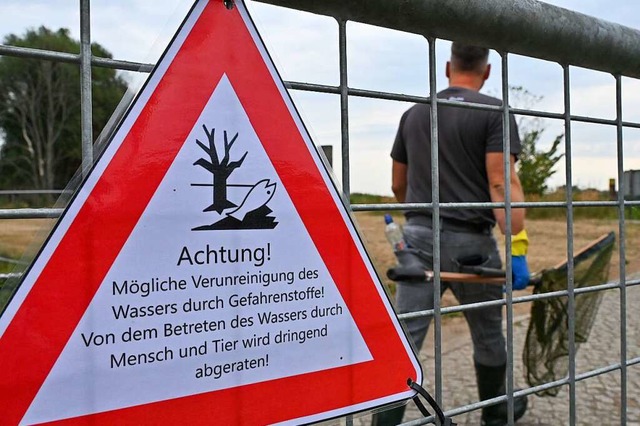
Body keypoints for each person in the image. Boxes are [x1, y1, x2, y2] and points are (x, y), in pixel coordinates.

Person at [372, 43, 530, 426]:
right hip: (472, 244)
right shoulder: (493, 111)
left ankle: (384, 423)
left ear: (447, 67)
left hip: (418, 240)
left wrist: (421, 218)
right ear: (487, 71)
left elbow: (398, 184)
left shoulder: (413, 114)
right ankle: (497, 415)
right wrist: (517, 238)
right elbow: (499, 180)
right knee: (488, 332)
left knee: (407, 336)